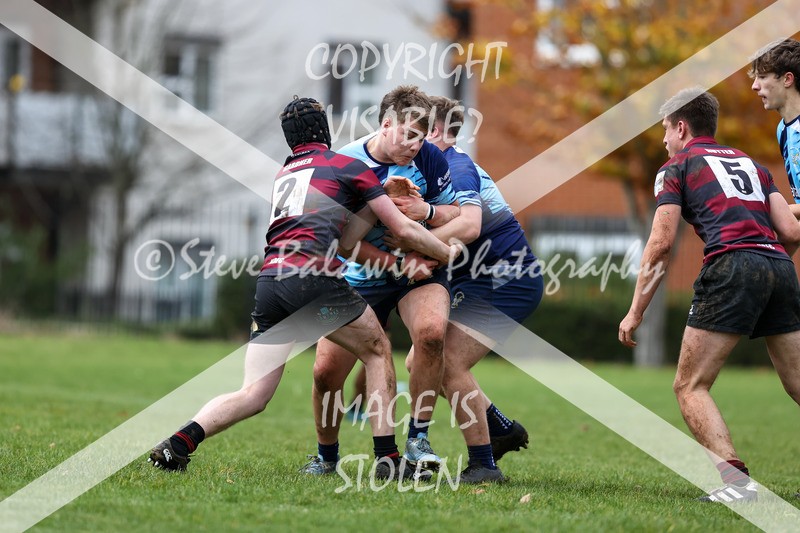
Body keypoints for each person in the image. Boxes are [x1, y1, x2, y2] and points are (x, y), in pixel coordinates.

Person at [148, 96, 458, 480]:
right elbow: (403, 228)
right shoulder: (348, 165)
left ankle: (180, 442)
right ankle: (388, 459)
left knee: (253, 394)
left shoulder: (286, 172)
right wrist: (447, 254)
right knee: (378, 353)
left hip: (269, 283)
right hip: (312, 281)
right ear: (324, 129)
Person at [618, 88, 800, 502]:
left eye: (665, 130)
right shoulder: (752, 164)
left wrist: (634, 312)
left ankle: (737, 486)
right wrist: (767, 268)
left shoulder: (676, 167)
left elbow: (661, 244)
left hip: (731, 264)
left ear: (681, 127)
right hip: (780, 265)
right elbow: (790, 232)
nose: (664, 140)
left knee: (689, 386)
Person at [303, 85, 460, 475]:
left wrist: (424, 211)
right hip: (362, 275)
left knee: (431, 334)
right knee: (325, 372)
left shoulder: (430, 159)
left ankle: (419, 439)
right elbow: (342, 245)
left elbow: (456, 214)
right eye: (407, 135)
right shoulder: (345, 162)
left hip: (421, 273)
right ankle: (326, 457)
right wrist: (393, 261)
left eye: (421, 138)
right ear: (386, 124)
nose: (414, 145)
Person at [418, 95, 544, 483]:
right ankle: (500, 428)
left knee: (448, 363)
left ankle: (484, 464)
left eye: (418, 131)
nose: (411, 140)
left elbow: (469, 227)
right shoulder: (437, 168)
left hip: (508, 277)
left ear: (437, 132)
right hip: (479, 279)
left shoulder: (455, 167)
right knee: (418, 364)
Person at [750, 38, 800, 218]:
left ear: (787, 79)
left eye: (762, 77)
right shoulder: (783, 130)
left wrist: (761, 211)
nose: (754, 86)